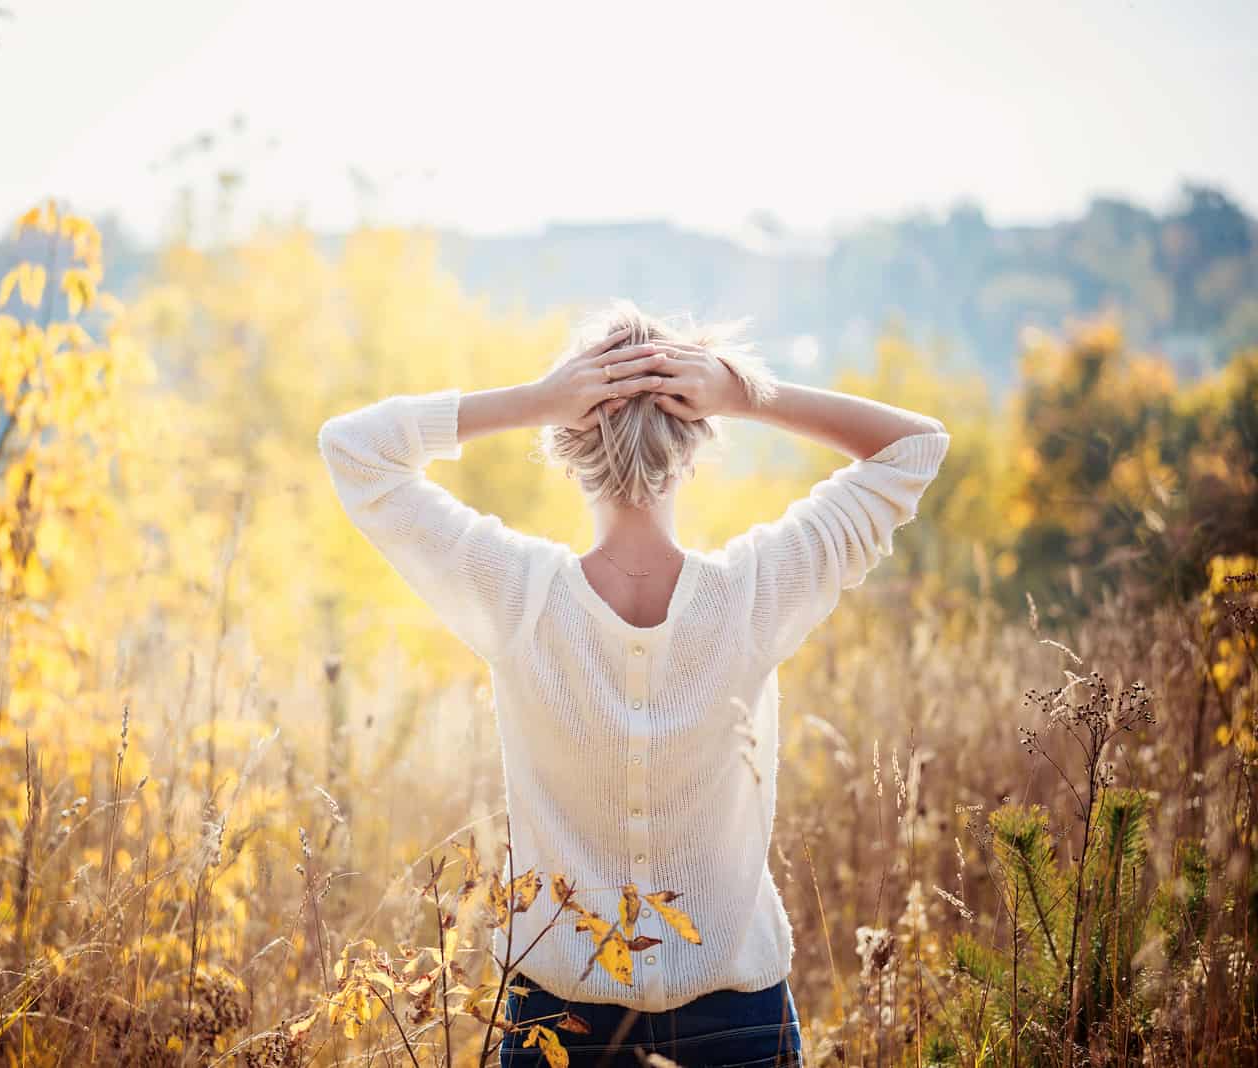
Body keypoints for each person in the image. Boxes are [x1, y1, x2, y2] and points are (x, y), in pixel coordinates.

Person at [317, 298, 950, 1067]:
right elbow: (915, 446)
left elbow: (354, 449)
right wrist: (745, 393)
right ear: (694, 441)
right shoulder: (756, 593)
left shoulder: (518, 596)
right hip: (735, 1019)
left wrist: (535, 398)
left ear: (566, 443)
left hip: (558, 1024)